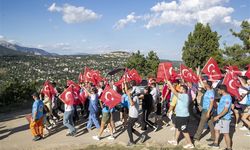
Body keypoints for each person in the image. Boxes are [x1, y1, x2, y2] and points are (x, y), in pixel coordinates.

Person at [166, 80, 194, 149]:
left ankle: (190, 144)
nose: (179, 89)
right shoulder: (182, 95)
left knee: (184, 130)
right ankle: (175, 140)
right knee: (178, 128)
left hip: (183, 117)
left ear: (184, 90)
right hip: (179, 115)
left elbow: (174, 92)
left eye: (180, 88)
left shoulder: (184, 96)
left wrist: (170, 83)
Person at [208, 84, 232, 150]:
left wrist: (218, 116)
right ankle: (216, 144)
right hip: (220, 118)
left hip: (225, 119)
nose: (218, 91)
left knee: (225, 134)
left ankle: (229, 148)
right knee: (216, 129)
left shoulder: (227, 98)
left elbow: (226, 110)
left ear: (222, 90)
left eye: (218, 90)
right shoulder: (223, 96)